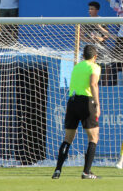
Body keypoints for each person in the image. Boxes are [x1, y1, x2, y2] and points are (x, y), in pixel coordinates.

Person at [52, 45, 101, 179]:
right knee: (93, 137)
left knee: (67, 138)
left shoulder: (77, 67)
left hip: (72, 102)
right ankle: (86, 172)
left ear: (83, 56)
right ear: (95, 57)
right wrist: (97, 104)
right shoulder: (94, 67)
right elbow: (93, 84)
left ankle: (57, 170)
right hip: (86, 101)